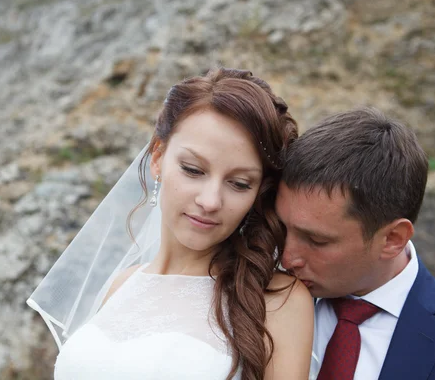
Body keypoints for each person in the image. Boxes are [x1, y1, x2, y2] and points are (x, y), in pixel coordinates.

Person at [28, 68, 314, 380]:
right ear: (158, 157)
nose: (210, 201)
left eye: (240, 184)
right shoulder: (121, 284)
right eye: (193, 170)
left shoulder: (276, 299)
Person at [275, 107, 435, 380]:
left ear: (393, 239)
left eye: (317, 240)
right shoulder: (252, 299)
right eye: (281, 227)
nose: (286, 257)